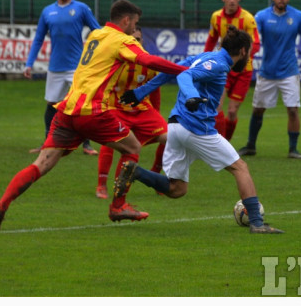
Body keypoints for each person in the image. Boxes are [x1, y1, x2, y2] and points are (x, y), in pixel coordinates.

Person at [0, 0, 188, 229]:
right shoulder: (122, 40)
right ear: (126, 20)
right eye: (135, 23)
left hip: (66, 110)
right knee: (132, 149)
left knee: (42, 162)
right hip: (93, 111)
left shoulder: (96, 35)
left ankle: (1, 205)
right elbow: (148, 60)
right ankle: (118, 205)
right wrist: (186, 71)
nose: (135, 29)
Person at [117, 26, 283, 234]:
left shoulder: (206, 56)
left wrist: (140, 92)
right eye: (248, 53)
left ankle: (136, 171)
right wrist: (191, 96)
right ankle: (257, 223)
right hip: (197, 128)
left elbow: (173, 70)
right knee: (240, 168)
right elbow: (185, 78)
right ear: (242, 51)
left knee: (177, 189)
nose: (248, 57)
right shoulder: (219, 65)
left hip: (176, 126)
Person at [237, 0, 301, 159]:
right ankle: (251, 145)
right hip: (267, 72)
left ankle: (293, 149)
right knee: (258, 109)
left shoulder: (298, 16)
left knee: (292, 110)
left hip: (289, 71)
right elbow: (254, 40)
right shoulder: (262, 16)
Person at [24, 0, 101, 156]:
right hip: (55, 67)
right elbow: (38, 39)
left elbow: (97, 31)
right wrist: (29, 63)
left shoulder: (81, 8)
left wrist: (96, 54)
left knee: (81, 104)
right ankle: (47, 142)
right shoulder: (47, 12)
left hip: (77, 67)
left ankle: (86, 144)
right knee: (52, 104)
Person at [94, 26, 166, 199]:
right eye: (130, 38)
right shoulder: (115, 60)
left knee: (171, 138)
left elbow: (154, 89)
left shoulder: (148, 61)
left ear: (142, 42)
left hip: (142, 111)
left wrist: (156, 114)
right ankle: (101, 184)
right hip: (116, 109)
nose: (134, 42)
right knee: (109, 141)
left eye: (138, 39)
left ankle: (155, 175)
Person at [204, 0, 261, 141]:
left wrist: (242, 57)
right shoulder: (216, 17)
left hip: (244, 71)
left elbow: (255, 44)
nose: (232, 0)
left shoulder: (248, 19)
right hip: (223, 69)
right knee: (217, 106)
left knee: (232, 111)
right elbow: (211, 40)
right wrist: (205, 58)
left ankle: (225, 144)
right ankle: (217, 143)